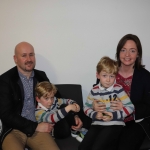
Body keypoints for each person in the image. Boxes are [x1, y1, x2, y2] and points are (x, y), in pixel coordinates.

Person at [0, 42, 83, 150]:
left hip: (39, 127)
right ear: (15, 59)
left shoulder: (41, 76)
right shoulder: (5, 80)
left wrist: (74, 116)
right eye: (24, 55)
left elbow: (57, 99)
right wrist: (35, 127)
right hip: (14, 130)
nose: (29, 59)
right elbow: (6, 115)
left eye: (31, 54)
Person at [93, 34, 150, 150]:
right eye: (123, 50)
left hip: (134, 123)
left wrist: (128, 107)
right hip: (109, 120)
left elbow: (148, 105)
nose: (127, 55)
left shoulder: (145, 76)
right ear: (118, 52)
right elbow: (97, 92)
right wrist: (95, 103)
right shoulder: (108, 70)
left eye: (132, 51)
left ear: (138, 54)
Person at [78, 56, 134, 150]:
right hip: (97, 124)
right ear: (98, 75)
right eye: (105, 75)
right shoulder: (94, 90)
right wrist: (95, 114)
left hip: (114, 124)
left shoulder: (118, 89)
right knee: (82, 147)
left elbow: (130, 107)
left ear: (115, 76)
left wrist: (114, 115)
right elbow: (86, 108)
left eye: (111, 76)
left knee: (97, 147)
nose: (108, 80)